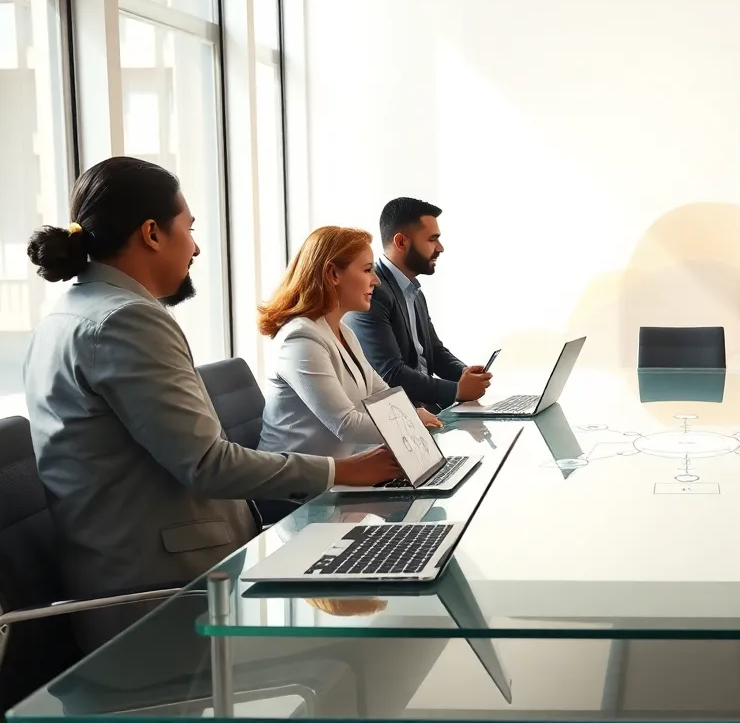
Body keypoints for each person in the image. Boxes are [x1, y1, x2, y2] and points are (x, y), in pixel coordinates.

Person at [23, 157, 400, 651]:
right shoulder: (126, 320)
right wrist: (343, 471)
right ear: (153, 233)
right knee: (366, 644)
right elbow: (206, 464)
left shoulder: (69, 313)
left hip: (159, 573)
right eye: (190, 229)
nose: (197, 247)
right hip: (165, 600)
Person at [257, 226, 443, 459]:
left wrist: (414, 413)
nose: (376, 280)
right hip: (299, 488)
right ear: (333, 274)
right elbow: (346, 425)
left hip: (339, 474)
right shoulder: (300, 339)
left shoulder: (344, 332)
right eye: (367, 270)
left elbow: (384, 395)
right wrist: (412, 422)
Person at [344, 197, 491, 412]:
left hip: (429, 409)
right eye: (432, 239)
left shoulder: (412, 289)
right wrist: (457, 391)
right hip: (406, 417)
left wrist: (466, 374)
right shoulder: (372, 292)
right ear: (402, 242)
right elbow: (390, 373)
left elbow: (434, 351)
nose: (440, 248)